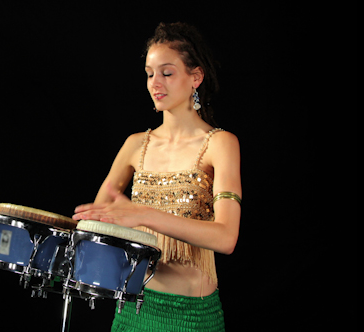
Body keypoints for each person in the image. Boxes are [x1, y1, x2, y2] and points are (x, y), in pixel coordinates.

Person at [72, 22, 241, 331]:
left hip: (193, 316)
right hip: (133, 310)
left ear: (196, 78)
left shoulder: (220, 144)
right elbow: (100, 221)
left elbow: (226, 238)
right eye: (150, 74)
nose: (154, 83)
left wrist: (143, 215)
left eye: (166, 72)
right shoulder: (136, 145)